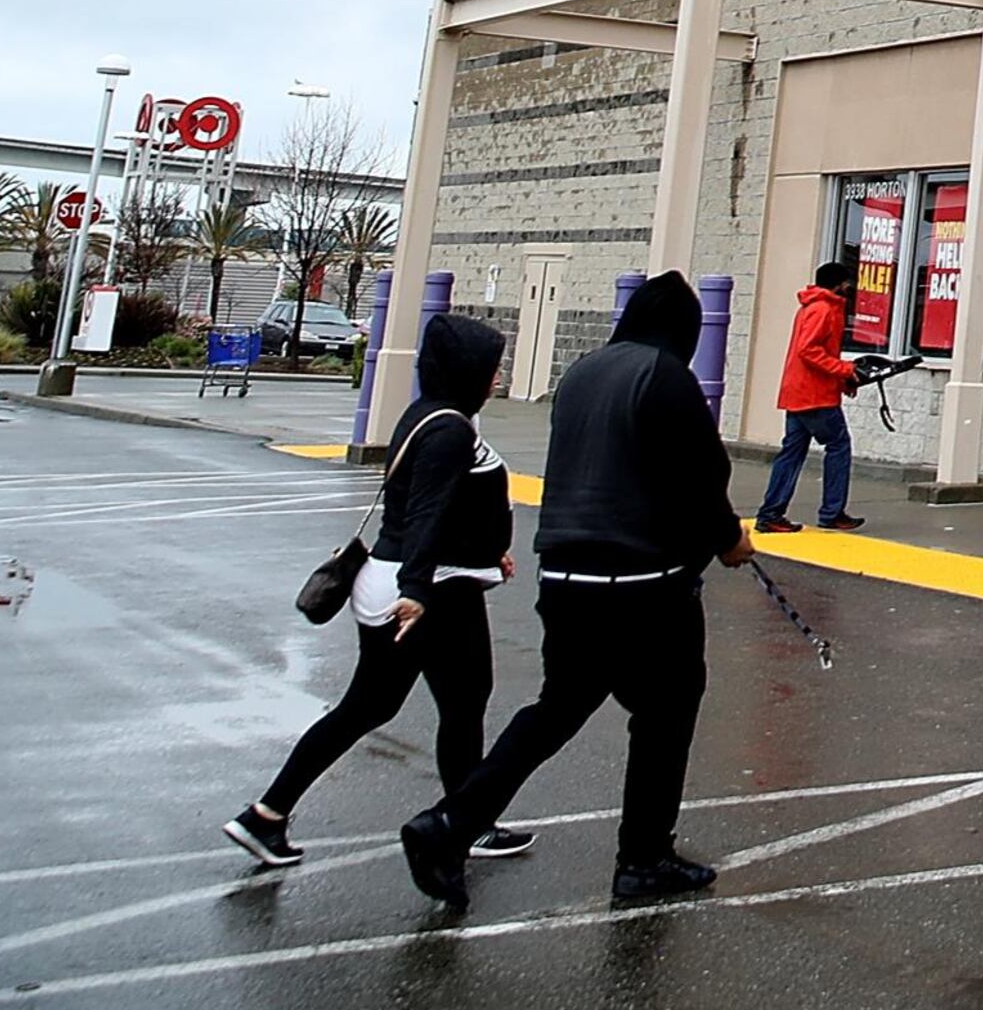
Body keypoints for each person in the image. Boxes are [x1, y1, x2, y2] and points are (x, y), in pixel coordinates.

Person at [400, 273, 749, 910]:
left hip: (564, 576)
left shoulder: (583, 373)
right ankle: (642, 856)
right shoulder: (666, 375)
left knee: (555, 710)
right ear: (684, 331)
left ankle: (449, 824)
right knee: (667, 713)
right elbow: (702, 473)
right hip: (643, 583)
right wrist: (728, 539)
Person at [225, 314, 532, 869]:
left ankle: (271, 814)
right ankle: (459, 821)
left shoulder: (438, 416)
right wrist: (417, 589)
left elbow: (449, 505)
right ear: (465, 370)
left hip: (429, 581)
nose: (496, 378)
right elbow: (426, 513)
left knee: (430, 705)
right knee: (419, 705)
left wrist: (488, 550)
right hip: (425, 591)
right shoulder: (448, 430)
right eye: (490, 368)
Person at [755, 257, 866, 534]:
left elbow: (811, 353)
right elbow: (810, 350)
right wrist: (845, 370)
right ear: (839, 284)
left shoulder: (810, 307)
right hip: (815, 396)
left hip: (798, 392)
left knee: (791, 453)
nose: (849, 288)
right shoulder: (824, 309)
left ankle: (771, 513)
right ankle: (832, 511)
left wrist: (842, 379)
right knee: (838, 445)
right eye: (847, 282)